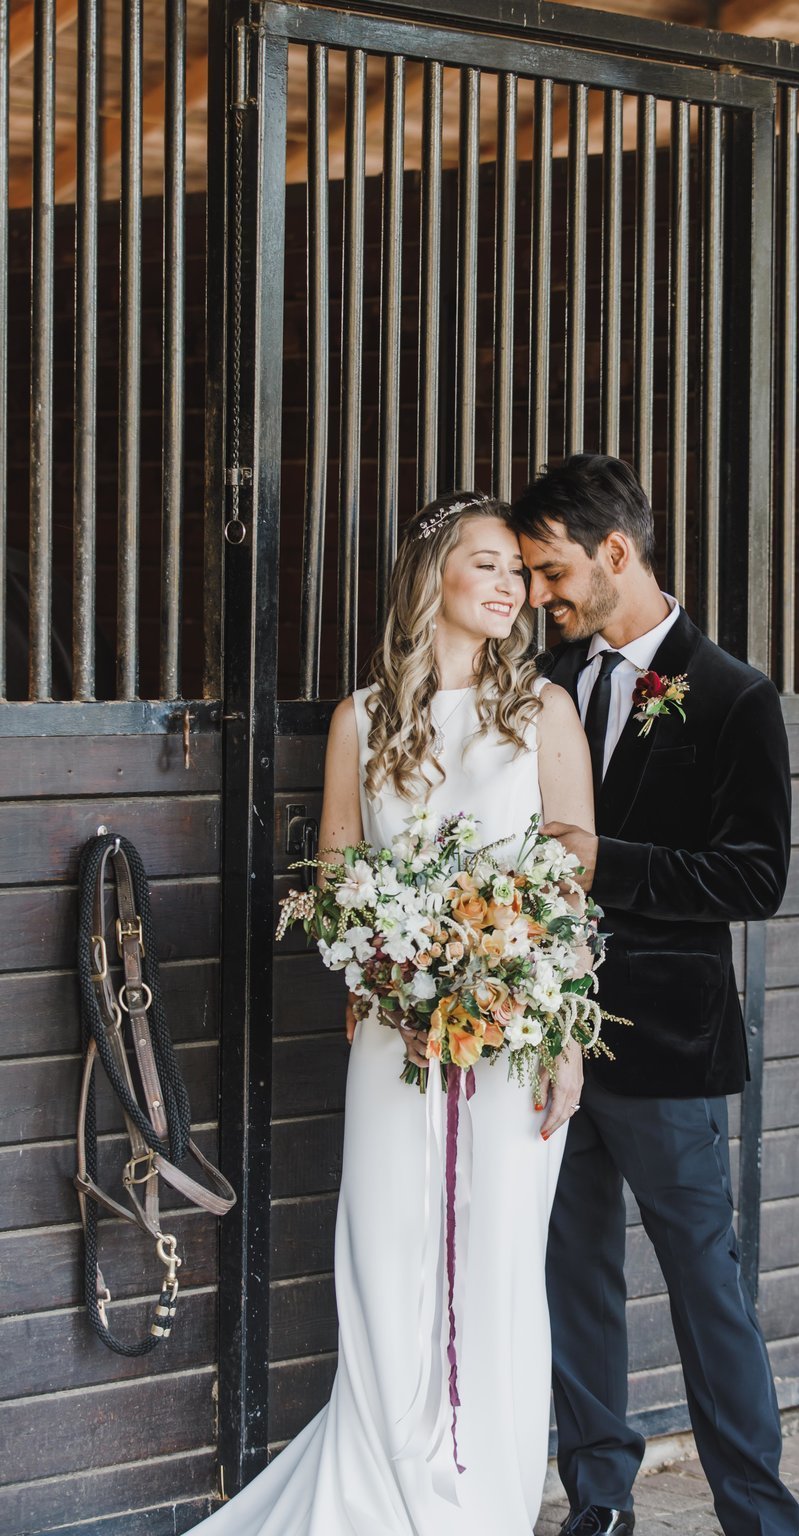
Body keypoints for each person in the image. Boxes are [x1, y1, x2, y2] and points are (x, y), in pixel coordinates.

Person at [192, 493, 594, 1535]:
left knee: (499, 1260)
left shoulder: (543, 711)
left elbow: (572, 857)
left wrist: (558, 1024)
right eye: (490, 564)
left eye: (519, 570)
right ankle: (384, 1491)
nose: (512, 587)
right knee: (386, 1245)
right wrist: (390, 976)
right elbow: (335, 873)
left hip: (517, 1024)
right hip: (394, 1031)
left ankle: (486, 1501)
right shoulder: (363, 718)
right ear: (432, 579)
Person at [511, 455, 799, 1536]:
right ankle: (599, 1502)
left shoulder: (732, 694)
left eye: (552, 572)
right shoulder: (549, 682)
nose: (540, 595)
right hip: (546, 1039)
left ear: (616, 554)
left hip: (668, 1047)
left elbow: (754, 878)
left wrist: (603, 861)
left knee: (704, 1291)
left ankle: (758, 1518)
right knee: (573, 1278)